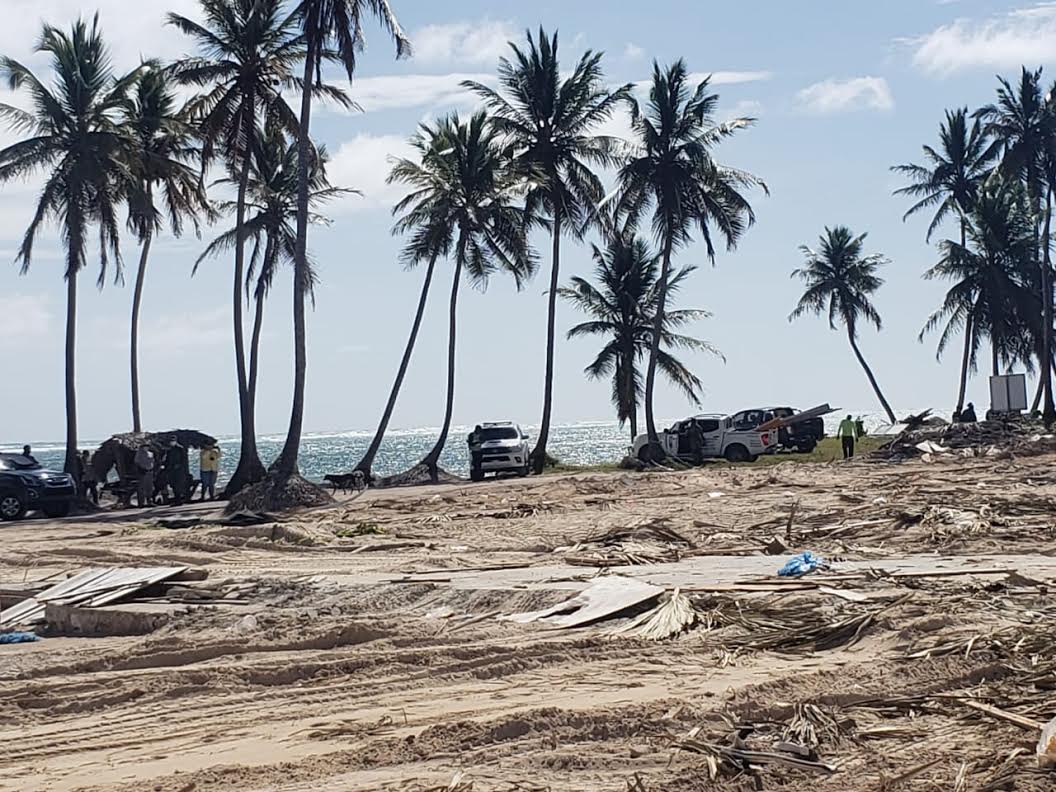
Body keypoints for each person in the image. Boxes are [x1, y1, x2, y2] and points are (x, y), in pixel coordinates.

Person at [165, 439, 189, 505]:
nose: (171, 442)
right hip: (171, 470)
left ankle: (179, 500)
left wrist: (179, 465)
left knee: (178, 485)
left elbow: (184, 459)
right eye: (171, 441)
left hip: (179, 470)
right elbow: (167, 460)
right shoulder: (169, 450)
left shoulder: (180, 448)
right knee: (173, 485)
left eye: (173, 440)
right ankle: (177, 499)